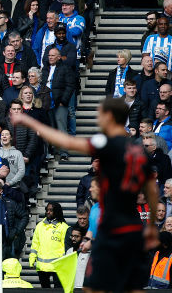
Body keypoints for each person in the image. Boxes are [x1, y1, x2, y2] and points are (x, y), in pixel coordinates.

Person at [12, 99, 158, 292]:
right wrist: (152, 226)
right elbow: (152, 191)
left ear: (109, 117)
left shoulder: (106, 143)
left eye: (100, 114)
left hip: (112, 230)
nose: (98, 118)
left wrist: (29, 121)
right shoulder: (139, 151)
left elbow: (67, 141)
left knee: (91, 287)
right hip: (133, 229)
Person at [29, 201, 69, 288]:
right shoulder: (40, 225)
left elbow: (65, 247)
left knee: (58, 290)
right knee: (45, 290)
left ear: (56, 211)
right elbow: (35, 243)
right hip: (42, 265)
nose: (48, 212)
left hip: (57, 265)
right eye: (47, 209)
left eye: (51, 210)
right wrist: (32, 259)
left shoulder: (64, 227)